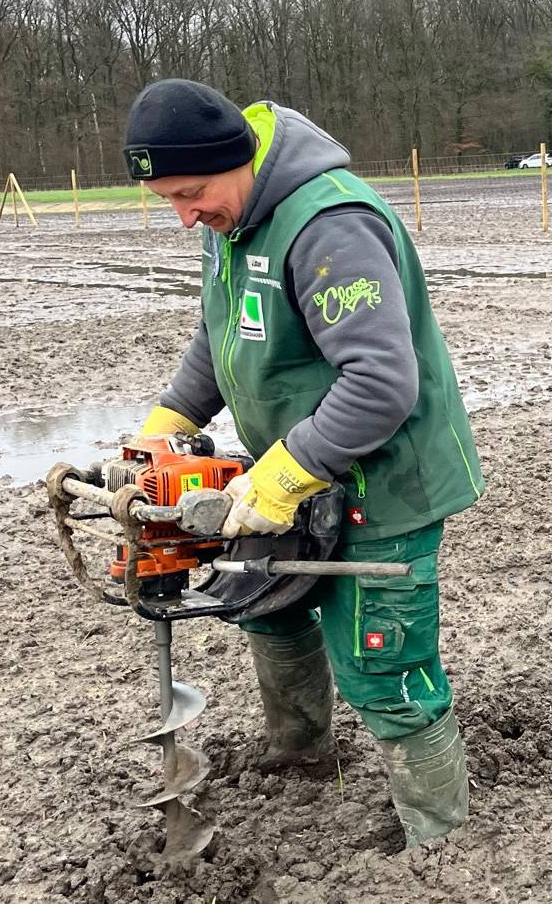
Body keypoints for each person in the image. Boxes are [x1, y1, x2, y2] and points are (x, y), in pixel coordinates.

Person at [122, 78, 485, 846]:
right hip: (290, 470)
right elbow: (225, 337)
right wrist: (165, 425)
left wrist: (283, 475)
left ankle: (440, 839)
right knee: (272, 611)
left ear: (235, 159)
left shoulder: (329, 225)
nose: (185, 215)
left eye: (191, 193)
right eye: (169, 201)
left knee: (384, 669)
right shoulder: (231, 219)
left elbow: (382, 383)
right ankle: (302, 763)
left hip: (383, 481)